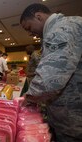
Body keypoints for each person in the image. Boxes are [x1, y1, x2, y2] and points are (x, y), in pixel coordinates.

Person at [20, 3, 82, 141]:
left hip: (73, 118)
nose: (30, 33)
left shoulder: (60, 30)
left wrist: (29, 97)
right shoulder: (71, 23)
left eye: (29, 27)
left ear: (38, 16)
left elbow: (50, 79)